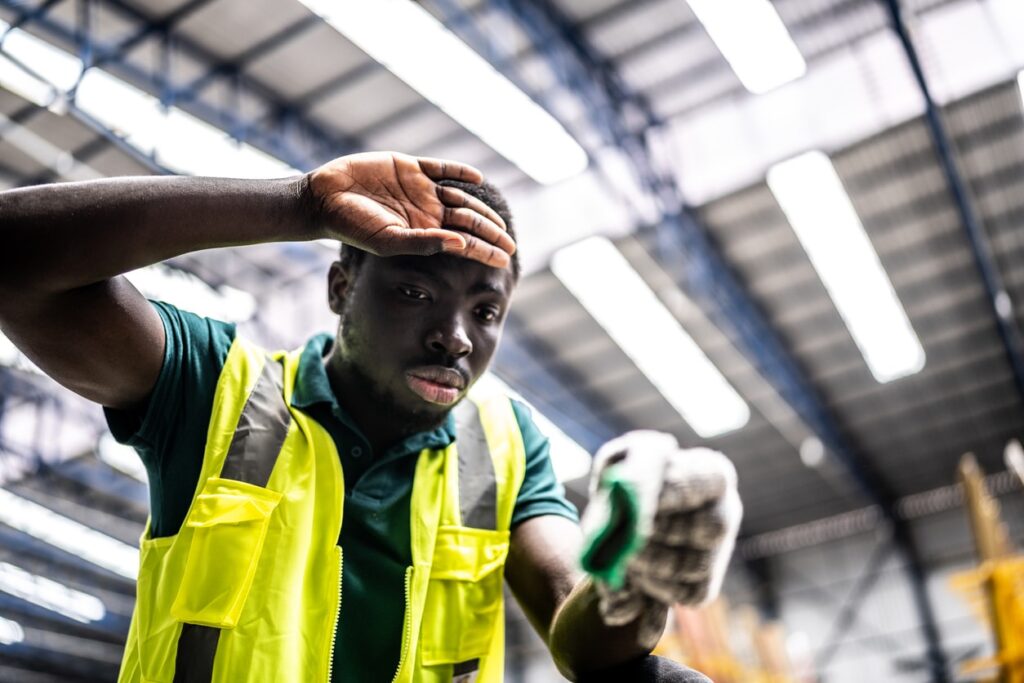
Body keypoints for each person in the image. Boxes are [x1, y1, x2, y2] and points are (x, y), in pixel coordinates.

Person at [0, 151, 739, 682]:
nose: (456, 336)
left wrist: (636, 577)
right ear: (339, 287)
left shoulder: (505, 443)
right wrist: (297, 204)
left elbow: (580, 633)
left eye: (485, 310)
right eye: (416, 292)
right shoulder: (214, 394)